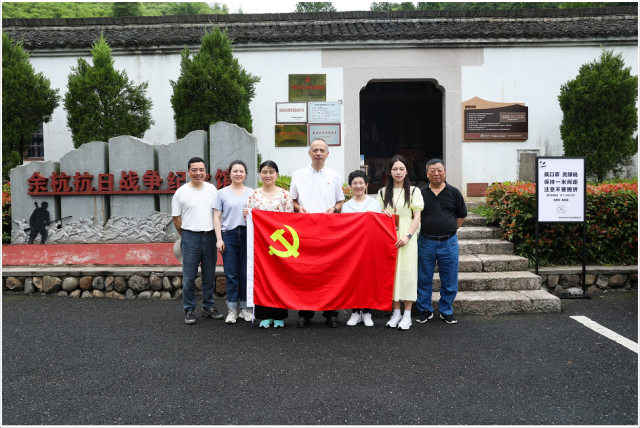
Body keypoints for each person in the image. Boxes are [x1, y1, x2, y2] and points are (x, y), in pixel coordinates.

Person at [290, 138, 345, 328]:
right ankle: (305, 313)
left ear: (328, 154)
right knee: (305, 272)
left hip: (328, 230)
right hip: (304, 231)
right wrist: (299, 208)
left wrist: (335, 209)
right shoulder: (298, 175)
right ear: (309, 153)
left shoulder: (335, 176)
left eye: (322, 150)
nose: (319, 153)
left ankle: (331, 313)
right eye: (315, 150)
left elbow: (340, 202)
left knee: (329, 271)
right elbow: (293, 201)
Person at [172, 156, 223, 325]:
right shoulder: (181, 192)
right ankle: (189, 309)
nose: (198, 173)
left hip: (210, 237)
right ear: (188, 172)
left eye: (201, 170)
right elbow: (176, 218)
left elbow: (218, 214)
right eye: (194, 170)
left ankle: (208, 307)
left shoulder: (212, 189)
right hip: (190, 237)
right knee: (189, 277)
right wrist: (186, 234)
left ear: (205, 172)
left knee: (209, 275)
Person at [416, 158, 467, 325]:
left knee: (449, 278)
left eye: (439, 170)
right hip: (426, 242)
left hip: (448, 242)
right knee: (424, 278)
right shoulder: (420, 193)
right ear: (427, 173)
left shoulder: (454, 192)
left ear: (444, 172)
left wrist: (450, 230)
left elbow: (461, 216)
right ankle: (425, 310)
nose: (436, 173)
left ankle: (446, 310)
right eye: (433, 170)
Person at [377, 155, 424, 331]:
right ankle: (395, 313)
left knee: (407, 274)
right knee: (392, 275)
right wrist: (383, 214)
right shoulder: (382, 192)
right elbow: (377, 215)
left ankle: (407, 315)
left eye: (401, 169)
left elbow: (417, 216)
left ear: (406, 171)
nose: (398, 172)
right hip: (388, 238)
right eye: (395, 169)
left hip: (407, 238)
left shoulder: (413, 191)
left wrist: (408, 236)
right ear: (390, 171)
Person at [246, 160, 295, 328]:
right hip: (260, 244)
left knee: (279, 278)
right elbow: (250, 221)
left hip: (279, 245)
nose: (268, 175)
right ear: (260, 174)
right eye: (265, 172)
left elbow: (290, 220)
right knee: (263, 278)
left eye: (271, 172)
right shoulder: (253, 194)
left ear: (277, 174)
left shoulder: (284, 195)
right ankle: (264, 315)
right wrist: (247, 214)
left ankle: (279, 315)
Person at [213, 160, 254, 324]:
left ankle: (245, 308)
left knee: (246, 273)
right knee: (231, 273)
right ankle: (232, 309)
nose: (238, 174)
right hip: (228, 235)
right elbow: (216, 217)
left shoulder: (252, 193)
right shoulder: (221, 193)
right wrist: (219, 239)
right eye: (235, 171)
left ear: (245, 174)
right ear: (229, 174)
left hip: (247, 235)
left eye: (241, 171)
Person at [341, 169, 381, 327]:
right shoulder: (346, 206)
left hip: (369, 248)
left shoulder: (375, 203)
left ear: (366, 185)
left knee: (368, 279)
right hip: (352, 249)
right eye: (355, 183)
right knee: (353, 280)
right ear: (350, 186)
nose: (358, 186)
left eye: (361, 183)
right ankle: (355, 312)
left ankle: (367, 312)